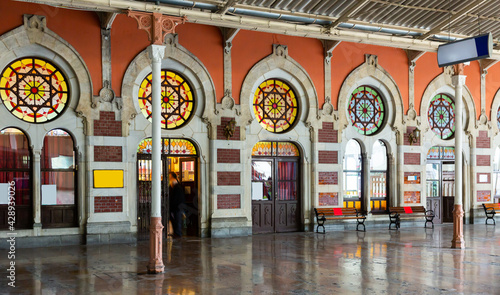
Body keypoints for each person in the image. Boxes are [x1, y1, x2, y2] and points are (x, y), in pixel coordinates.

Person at [168, 172, 185, 238]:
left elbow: (176, 198)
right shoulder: (174, 187)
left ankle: (178, 233)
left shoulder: (177, 188)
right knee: (175, 220)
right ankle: (176, 232)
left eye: (170, 177)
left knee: (177, 220)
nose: (169, 179)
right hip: (175, 207)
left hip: (177, 207)